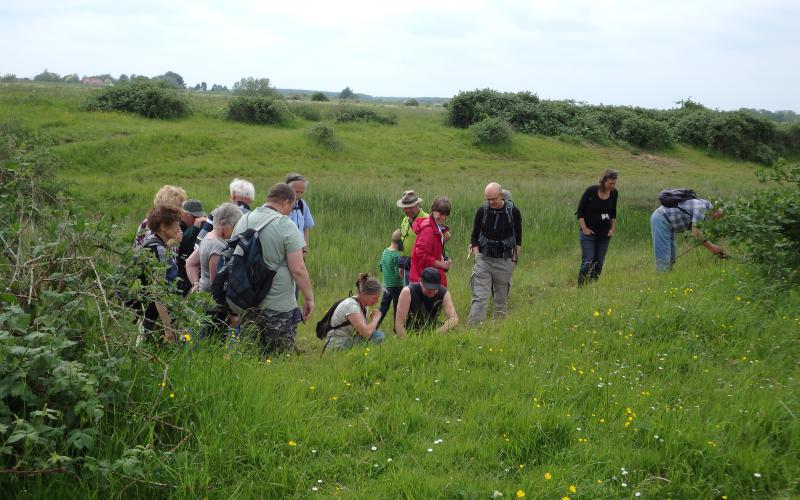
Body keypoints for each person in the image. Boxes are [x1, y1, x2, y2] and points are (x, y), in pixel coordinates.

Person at [234, 183, 314, 355]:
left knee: (250, 357)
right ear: (285, 202)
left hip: (247, 304)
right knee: (280, 359)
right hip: (278, 308)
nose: (291, 211)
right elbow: (298, 268)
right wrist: (309, 298)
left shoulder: (243, 220)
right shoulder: (286, 225)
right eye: (291, 207)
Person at [467, 182, 522, 325]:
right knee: (479, 297)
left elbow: (518, 238)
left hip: (505, 260)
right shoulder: (482, 211)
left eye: (494, 199)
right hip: (484, 259)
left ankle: (498, 330)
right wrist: (477, 257)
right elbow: (474, 237)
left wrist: (514, 261)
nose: (491, 202)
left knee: (501, 300)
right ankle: (473, 331)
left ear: (501, 196)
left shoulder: (513, 212)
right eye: (488, 199)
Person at [138, 205, 183, 343]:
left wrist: (172, 244)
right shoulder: (158, 249)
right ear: (163, 226)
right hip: (156, 318)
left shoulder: (154, 244)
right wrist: (168, 329)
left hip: (151, 315)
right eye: (176, 225)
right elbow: (158, 292)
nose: (179, 229)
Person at [650, 193, 724, 271]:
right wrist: (712, 248)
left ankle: (668, 274)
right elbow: (696, 233)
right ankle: (662, 275)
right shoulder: (702, 209)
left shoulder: (705, 205)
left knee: (671, 256)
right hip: (660, 218)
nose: (716, 219)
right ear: (715, 210)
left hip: (667, 221)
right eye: (718, 216)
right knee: (663, 258)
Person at [185, 203, 242, 293]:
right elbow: (216, 284)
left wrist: (196, 284)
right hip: (211, 302)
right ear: (223, 223)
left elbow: (190, 263)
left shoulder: (208, 236)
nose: (236, 230)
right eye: (234, 225)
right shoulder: (217, 246)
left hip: (202, 295)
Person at [575, 169, 618, 285]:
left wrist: (612, 229)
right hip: (589, 234)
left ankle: (592, 286)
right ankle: (581, 286)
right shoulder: (591, 191)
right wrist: (584, 229)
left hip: (604, 235)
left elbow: (613, 213)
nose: (612, 186)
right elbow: (580, 212)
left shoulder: (614, 193)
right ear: (603, 181)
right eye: (610, 183)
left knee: (599, 263)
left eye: (614, 183)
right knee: (588, 261)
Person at [322, 274, 386, 352]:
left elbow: (362, 332)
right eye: (374, 298)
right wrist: (375, 318)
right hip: (337, 345)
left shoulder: (363, 306)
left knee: (378, 335)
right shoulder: (351, 306)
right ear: (364, 294)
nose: (377, 301)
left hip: (348, 340)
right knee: (377, 336)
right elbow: (366, 334)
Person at [394, 267, 458, 337]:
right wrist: (410, 342)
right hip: (409, 332)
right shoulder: (407, 292)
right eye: (429, 288)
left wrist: (436, 333)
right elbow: (399, 324)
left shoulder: (444, 292)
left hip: (432, 331)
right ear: (421, 282)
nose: (432, 291)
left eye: (435, 288)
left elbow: (454, 319)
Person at [196, 178, 255, 244]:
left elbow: (199, 241)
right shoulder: (254, 218)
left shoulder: (218, 212)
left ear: (233, 196)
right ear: (251, 199)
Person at [409, 196, 451, 286]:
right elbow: (421, 255)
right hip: (425, 281)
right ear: (432, 210)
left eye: (446, 214)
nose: (443, 217)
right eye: (440, 213)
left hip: (428, 278)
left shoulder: (436, 227)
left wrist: (442, 259)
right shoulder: (429, 231)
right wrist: (442, 264)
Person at [396, 190, 428, 285]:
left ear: (417, 204)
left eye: (410, 207)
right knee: (408, 296)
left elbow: (446, 236)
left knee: (418, 297)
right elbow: (403, 239)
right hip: (406, 265)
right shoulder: (405, 219)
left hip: (420, 268)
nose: (407, 210)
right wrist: (401, 266)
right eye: (404, 208)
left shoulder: (426, 219)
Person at [176, 199, 207, 295]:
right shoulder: (177, 224)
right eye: (196, 217)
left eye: (201, 217)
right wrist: (194, 228)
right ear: (186, 215)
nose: (198, 220)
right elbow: (182, 245)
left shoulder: (199, 226)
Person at [377, 229, 403, 329]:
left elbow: (380, 266)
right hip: (396, 286)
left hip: (386, 285)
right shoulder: (396, 255)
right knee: (398, 308)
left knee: (383, 306)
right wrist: (404, 278)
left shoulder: (385, 252)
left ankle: (374, 325)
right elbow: (398, 274)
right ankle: (396, 329)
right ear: (400, 242)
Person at [285, 173, 315, 257]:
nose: (299, 195)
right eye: (296, 192)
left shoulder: (302, 204)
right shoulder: (279, 204)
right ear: (286, 188)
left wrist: (304, 250)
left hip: (299, 252)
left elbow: (305, 228)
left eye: (302, 192)